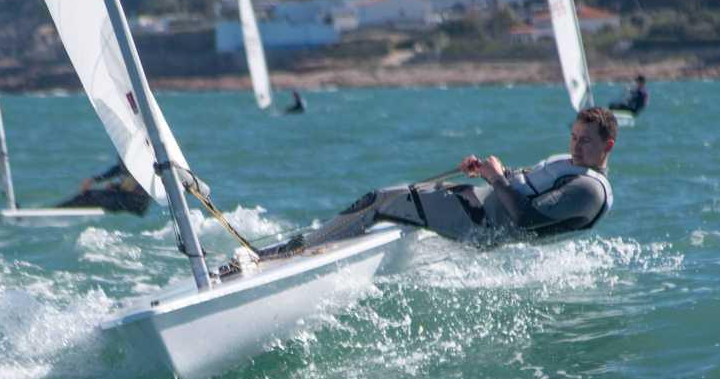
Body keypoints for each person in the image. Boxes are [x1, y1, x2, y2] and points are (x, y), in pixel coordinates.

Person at [254, 107, 617, 263]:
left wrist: (495, 179)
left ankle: (292, 253)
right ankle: (309, 247)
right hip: (477, 202)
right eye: (573, 137)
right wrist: (487, 171)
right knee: (386, 198)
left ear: (608, 146)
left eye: (585, 141)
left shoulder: (590, 189)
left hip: (480, 225)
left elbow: (524, 217)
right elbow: (520, 184)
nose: (576, 146)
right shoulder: (567, 164)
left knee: (378, 201)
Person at [56, 158, 152, 216]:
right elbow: (119, 169)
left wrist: (116, 186)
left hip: (133, 202)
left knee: (88, 196)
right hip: (130, 200)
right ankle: (59, 210)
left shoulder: (138, 159)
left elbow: (131, 184)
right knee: (88, 195)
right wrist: (94, 180)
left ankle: (59, 211)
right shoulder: (128, 153)